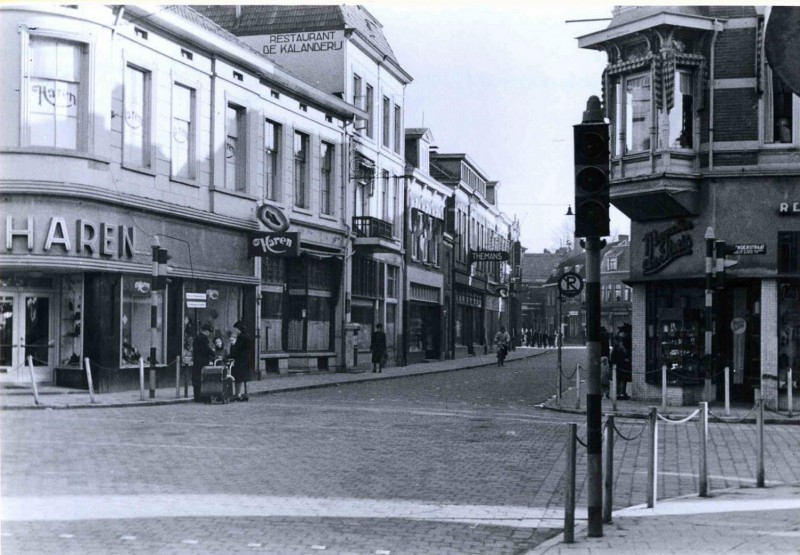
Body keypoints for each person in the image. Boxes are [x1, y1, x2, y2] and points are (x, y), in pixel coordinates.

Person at [191, 322, 214, 402]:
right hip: (202, 361)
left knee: (196, 379)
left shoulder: (197, 338)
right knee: (201, 379)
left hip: (197, 361)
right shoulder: (203, 338)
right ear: (206, 331)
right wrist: (213, 353)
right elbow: (205, 350)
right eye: (209, 332)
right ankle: (201, 396)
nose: (209, 334)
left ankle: (197, 397)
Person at [229, 320, 251, 401]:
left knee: (238, 377)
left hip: (240, 359)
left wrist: (229, 356)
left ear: (238, 329)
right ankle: (246, 394)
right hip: (247, 358)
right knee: (245, 377)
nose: (235, 331)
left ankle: (237, 394)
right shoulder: (247, 335)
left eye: (236, 329)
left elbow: (237, 348)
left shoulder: (241, 336)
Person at [610, 335, 629, 399]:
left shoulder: (614, 349)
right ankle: (621, 393)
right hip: (622, 367)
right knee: (622, 381)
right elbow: (625, 357)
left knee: (618, 381)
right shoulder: (622, 348)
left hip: (617, 366)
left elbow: (611, 358)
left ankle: (618, 393)